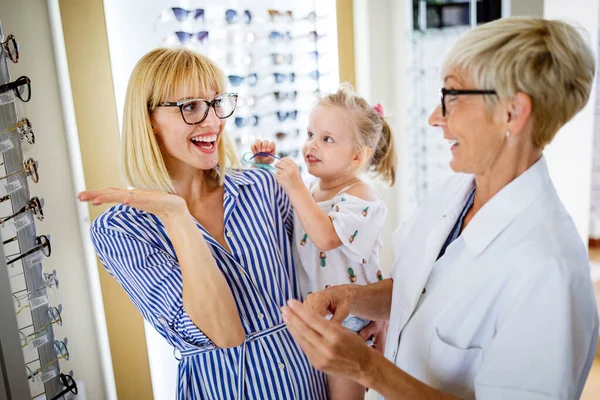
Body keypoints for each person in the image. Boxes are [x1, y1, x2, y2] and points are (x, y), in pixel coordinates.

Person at [280, 17, 599, 399]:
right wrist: (352, 299)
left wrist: (367, 368)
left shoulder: (549, 272)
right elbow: (413, 290)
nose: (435, 117)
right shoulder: (455, 192)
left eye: (452, 97)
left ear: (512, 113)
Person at [78, 48, 328, 399]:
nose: (213, 123)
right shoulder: (120, 231)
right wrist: (177, 217)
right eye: (191, 107)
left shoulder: (263, 186)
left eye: (217, 103)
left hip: (310, 383)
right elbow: (222, 333)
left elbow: (325, 268)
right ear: (149, 118)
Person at [252, 84, 396, 399]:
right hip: (318, 315)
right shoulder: (312, 192)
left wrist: (296, 187)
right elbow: (280, 215)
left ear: (357, 156)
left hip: (350, 321)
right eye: (310, 135)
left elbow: (326, 236)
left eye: (327, 139)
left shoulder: (360, 196)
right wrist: (264, 168)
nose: (311, 146)